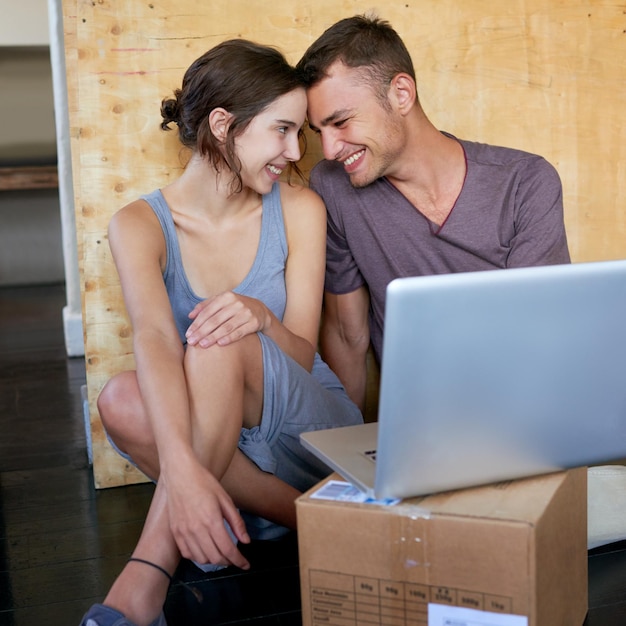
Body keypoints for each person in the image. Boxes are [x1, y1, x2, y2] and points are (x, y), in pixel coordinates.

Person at [80, 39, 362, 626]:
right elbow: (155, 338)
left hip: (303, 427)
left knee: (218, 336)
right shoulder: (138, 224)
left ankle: (145, 578)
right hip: (221, 447)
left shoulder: (300, 209)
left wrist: (259, 315)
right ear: (223, 124)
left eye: (298, 135)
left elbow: (304, 352)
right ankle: (271, 517)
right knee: (120, 401)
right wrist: (181, 467)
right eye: (281, 130)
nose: (293, 150)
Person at [295, 15, 571, 412]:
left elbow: (538, 338)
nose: (331, 147)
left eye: (340, 122)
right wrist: (345, 445)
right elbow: (345, 334)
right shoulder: (333, 186)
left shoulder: (525, 182)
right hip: (419, 427)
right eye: (318, 130)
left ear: (401, 94)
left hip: (523, 414)